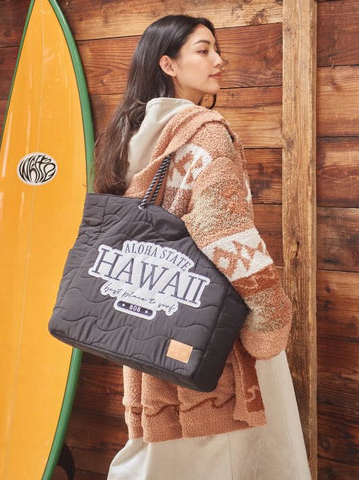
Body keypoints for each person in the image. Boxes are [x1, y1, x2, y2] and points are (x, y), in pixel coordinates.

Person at [94, 14, 311, 480]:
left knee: (161, 453)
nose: (219, 60)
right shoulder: (205, 132)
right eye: (204, 49)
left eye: (217, 49)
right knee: (231, 447)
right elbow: (223, 230)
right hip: (208, 316)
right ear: (168, 64)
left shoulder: (130, 132)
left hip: (149, 309)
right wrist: (269, 313)